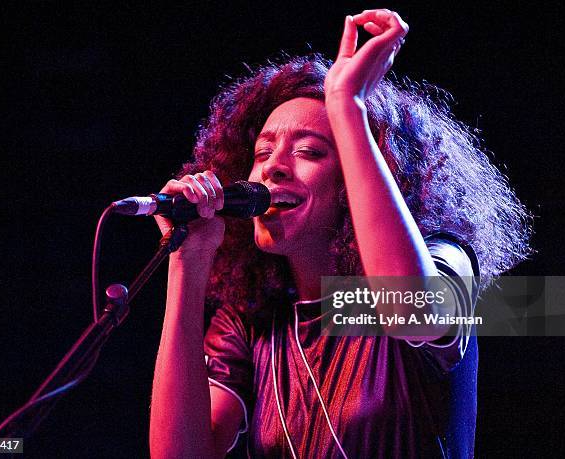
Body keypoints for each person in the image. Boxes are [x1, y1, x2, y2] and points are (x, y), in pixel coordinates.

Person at [149, 9, 531, 458]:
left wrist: (347, 105)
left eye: (309, 151)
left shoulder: (445, 259)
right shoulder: (252, 322)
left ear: (357, 176)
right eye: (263, 151)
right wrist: (186, 265)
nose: (272, 165)